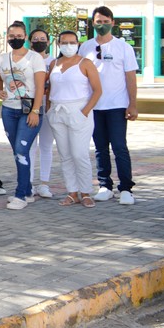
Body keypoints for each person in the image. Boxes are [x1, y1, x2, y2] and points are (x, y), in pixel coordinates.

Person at [79, 6, 139, 204]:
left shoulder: (123, 47)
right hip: (94, 107)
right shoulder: (85, 47)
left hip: (117, 105)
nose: (102, 25)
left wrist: (132, 104)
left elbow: (130, 77)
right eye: (98, 22)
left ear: (113, 23)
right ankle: (105, 185)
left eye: (105, 22)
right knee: (100, 148)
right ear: (92, 23)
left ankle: (126, 189)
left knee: (120, 147)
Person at [0, 21, 47, 210]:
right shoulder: (2, 58)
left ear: (25, 37)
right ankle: (27, 190)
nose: (15, 39)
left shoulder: (35, 58)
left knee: (21, 150)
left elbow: (41, 86)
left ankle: (20, 195)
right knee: (18, 153)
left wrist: (35, 110)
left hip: (29, 109)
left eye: (19, 36)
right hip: (9, 110)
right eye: (11, 36)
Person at [48, 32, 103, 207]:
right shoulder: (54, 64)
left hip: (79, 110)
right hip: (58, 111)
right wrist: (49, 109)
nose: (68, 45)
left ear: (78, 43)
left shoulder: (85, 63)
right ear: (58, 44)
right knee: (65, 155)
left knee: (79, 154)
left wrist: (85, 111)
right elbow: (50, 88)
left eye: (72, 42)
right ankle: (72, 192)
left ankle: (86, 191)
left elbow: (97, 90)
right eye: (64, 42)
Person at [29, 28, 57, 198]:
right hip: (30, 108)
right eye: (35, 38)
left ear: (48, 42)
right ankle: (29, 183)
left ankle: (44, 184)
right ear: (30, 41)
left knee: (46, 146)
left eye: (42, 38)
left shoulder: (55, 61)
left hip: (48, 108)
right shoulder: (26, 59)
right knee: (30, 147)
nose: (39, 41)